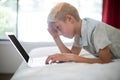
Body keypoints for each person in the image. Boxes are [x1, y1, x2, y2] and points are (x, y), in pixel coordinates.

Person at [45, 2, 120, 64]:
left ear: (69, 19)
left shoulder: (95, 28)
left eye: (58, 28)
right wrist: (55, 37)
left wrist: (71, 57)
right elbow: (71, 55)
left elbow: (105, 60)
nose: (59, 34)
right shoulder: (79, 33)